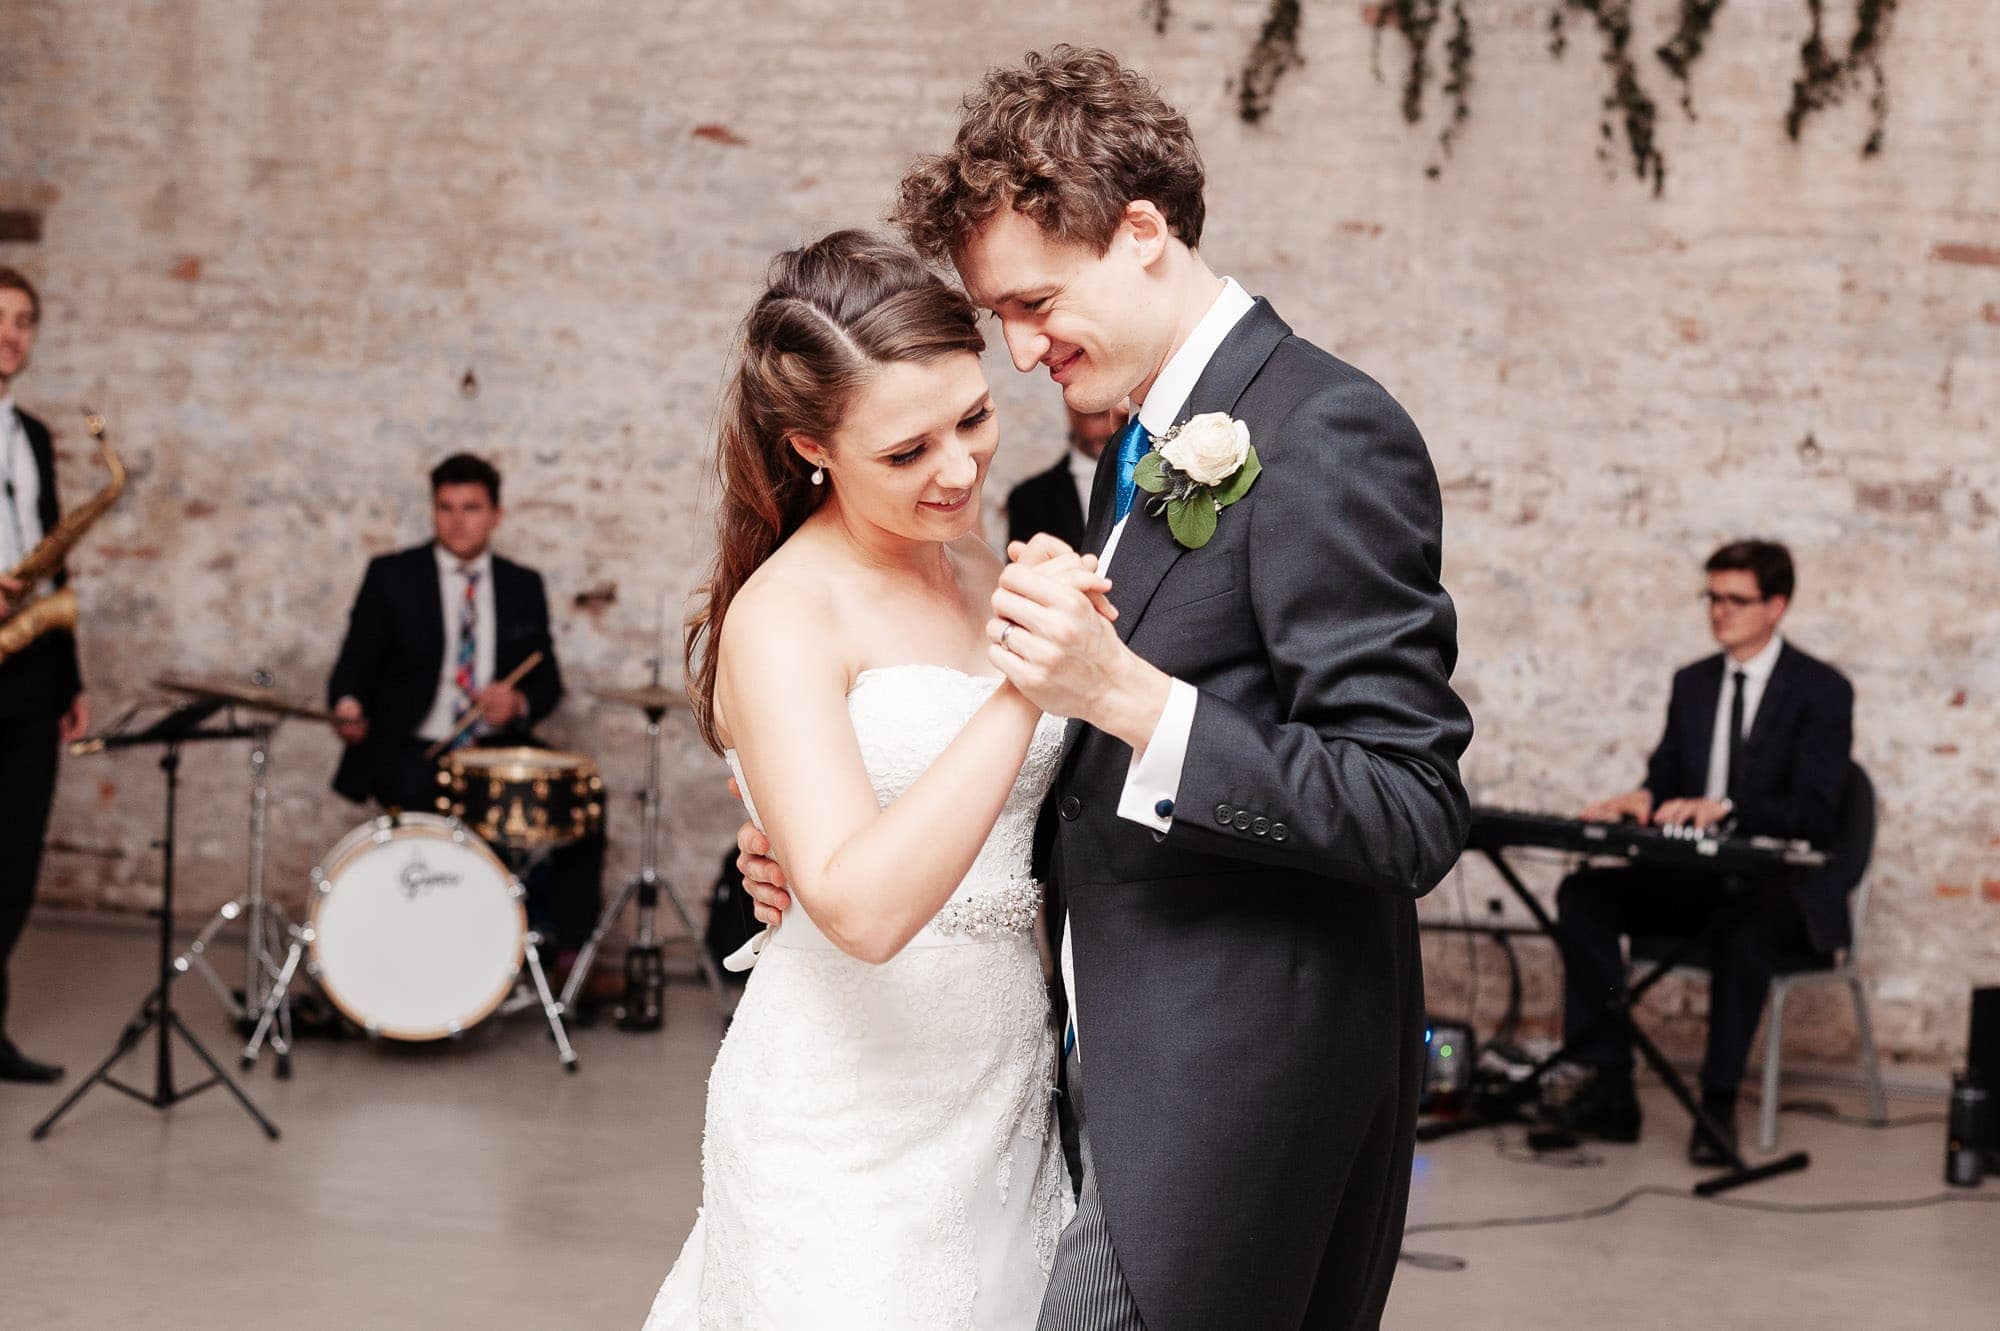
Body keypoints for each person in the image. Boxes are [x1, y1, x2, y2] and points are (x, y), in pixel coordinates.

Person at [737, 46, 1473, 1331]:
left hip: (1232, 1082)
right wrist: (820, 833)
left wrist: (1128, 698)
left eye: (1030, 303)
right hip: (1084, 1082)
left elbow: (1407, 806)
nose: (1018, 353)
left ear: (1140, 233)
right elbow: (1057, 776)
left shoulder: (1318, 430)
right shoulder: (1132, 445)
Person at [643, 231, 1116, 1328]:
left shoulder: (977, 563)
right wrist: (1025, 685)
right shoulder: (784, 612)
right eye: (905, 452)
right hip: (842, 1113)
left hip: (1001, 1092)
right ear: (811, 444)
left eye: (972, 419)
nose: (956, 469)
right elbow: (855, 904)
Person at [1557, 539, 1855, 1164]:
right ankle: (1609, 1081)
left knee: (1746, 922)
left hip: (1778, 892)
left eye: (1736, 600)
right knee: (1583, 894)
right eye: (1713, 598)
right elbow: (1667, 777)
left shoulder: (1821, 690)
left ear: (1776, 606)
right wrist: (1640, 798)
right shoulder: (1692, 683)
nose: (1720, 612)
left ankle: (1716, 1103)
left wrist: (1729, 808)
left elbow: (1818, 813)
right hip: (1697, 878)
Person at [325, 453, 602, 961]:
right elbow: (351, 667)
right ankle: (429, 955)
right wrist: (347, 706)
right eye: (446, 507)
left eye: (471, 507)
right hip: (414, 748)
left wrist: (516, 702)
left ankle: (570, 958)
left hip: (494, 750)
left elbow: (547, 681)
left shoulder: (522, 585)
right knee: (422, 805)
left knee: (582, 806)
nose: (457, 520)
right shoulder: (392, 576)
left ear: (496, 514)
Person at [0, 266, 89, 1085]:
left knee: (16, 860)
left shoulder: (30, 435)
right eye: (0, 318)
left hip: (28, 668)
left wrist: (71, 681)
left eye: (25, 320)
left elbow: (55, 568)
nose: (12, 334)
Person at [1005, 401, 1126, 549]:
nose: (1102, 430)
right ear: (1071, 412)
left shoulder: (1155, 474)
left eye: (1106, 414)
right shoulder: (1028, 498)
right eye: (1095, 416)